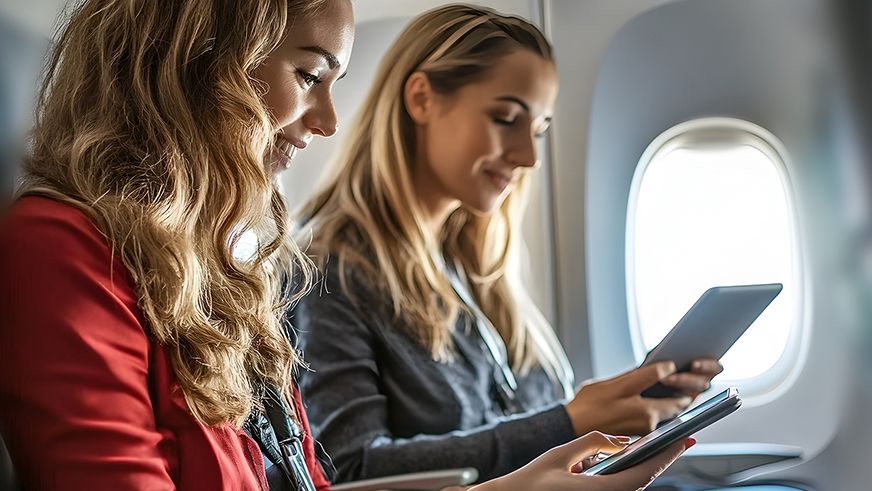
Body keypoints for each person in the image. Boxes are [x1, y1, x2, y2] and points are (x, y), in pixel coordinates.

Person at [0, 0, 690, 489]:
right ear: (199, 60)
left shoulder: (217, 276)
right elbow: (355, 462)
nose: (327, 120)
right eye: (309, 76)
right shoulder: (61, 252)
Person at [293, 4, 722, 485]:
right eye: (505, 118)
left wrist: (629, 407)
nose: (529, 156)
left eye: (538, 130)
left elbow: (527, 426)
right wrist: (570, 423)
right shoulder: (327, 269)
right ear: (421, 98)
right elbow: (349, 469)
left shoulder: (470, 265)